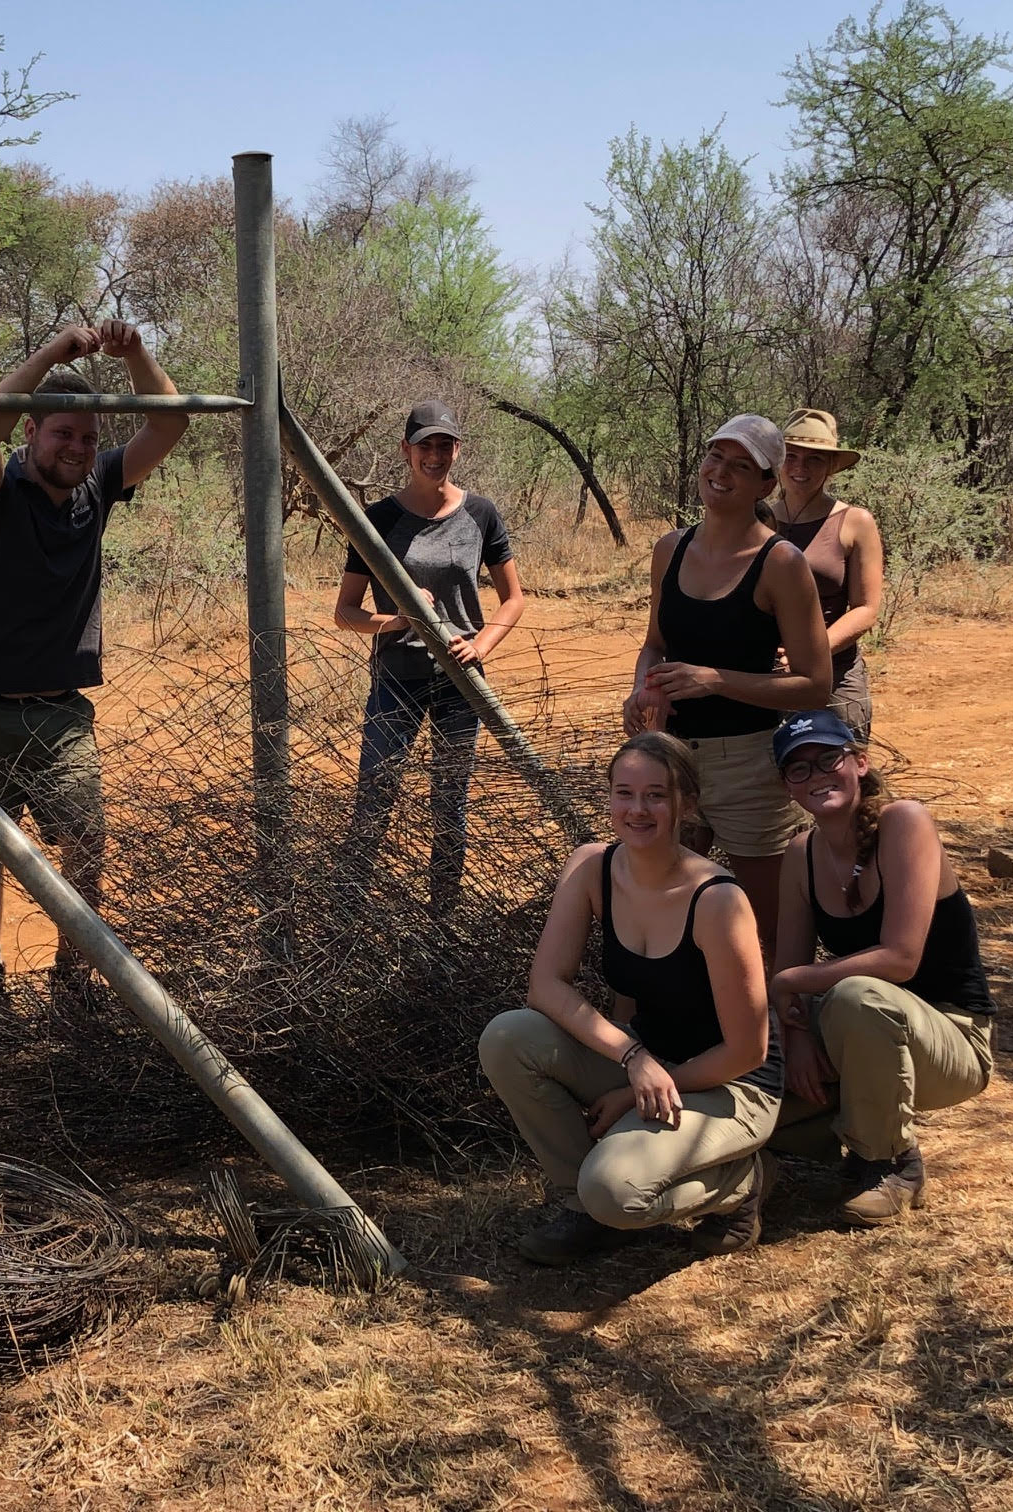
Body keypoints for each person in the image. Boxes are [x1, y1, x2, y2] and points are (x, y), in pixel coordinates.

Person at [0, 320, 188, 1002]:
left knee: (85, 840)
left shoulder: (99, 484)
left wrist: (134, 353)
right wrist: (52, 353)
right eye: (62, 433)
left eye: (87, 436)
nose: (77, 447)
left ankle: (74, 976)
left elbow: (169, 427)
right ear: (33, 435)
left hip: (60, 712)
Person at [480, 732, 785, 1264]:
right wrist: (632, 1057)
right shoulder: (592, 867)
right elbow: (545, 986)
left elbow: (748, 1051)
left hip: (732, 1084)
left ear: (686, 803)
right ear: (609, 798)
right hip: (649, 1062)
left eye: (656, 795)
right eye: (624, 793)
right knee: (509, 1035)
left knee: (616, 1190)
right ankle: (583, 1208)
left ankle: (739, 1181)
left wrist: (628, 1092)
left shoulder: (718, 899)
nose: (637, 809)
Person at [767, 709, 997, 1224]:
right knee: (760, 1075)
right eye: (798, 768)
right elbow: (791, 971)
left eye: (829, 758)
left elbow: (900, 958)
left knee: (857, 996)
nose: (817, 775)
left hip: (951, 1038)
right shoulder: (801, 853)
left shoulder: (904, 821)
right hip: (865, 1035)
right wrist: (797, 1036)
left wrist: (792, 984)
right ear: (787, 787)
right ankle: (829, 1138)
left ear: (860, 763)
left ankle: (888, 1162)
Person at [624, 414, 833, 960]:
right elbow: (655, 643)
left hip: (748, 764)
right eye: (716, 456)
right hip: (673, 759)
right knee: (669, 904)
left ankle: (782, 1034)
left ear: (768, 483)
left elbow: (815, 685)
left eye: (742, 466)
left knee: (766, 919)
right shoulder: (670, 548)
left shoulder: (781, 563)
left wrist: (714, 681)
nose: (722, 472)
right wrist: (644, 687)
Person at [333, 400, 524, 913]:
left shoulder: (481, 513)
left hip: (462, 684)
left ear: (457, 449)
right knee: (375, 796)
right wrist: (400, 619)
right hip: (397, 678)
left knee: (450, 804)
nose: (435, 455)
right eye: (425, 446)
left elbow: (515, 598)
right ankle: (345, 917)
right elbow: (345, 612)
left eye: (445, 445)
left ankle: (441, 918)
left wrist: (479, 644)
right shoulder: (378, 519)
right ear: (406, 451)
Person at [773, 409, 882, 739]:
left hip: (835, 673)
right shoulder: (756, 519)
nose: (800, 468)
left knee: (841, 771)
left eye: (814, 460)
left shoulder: (855, 522)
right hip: (765, 677)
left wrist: (811, 651)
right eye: (791, 456)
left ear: (831, 466)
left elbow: (866, 609)